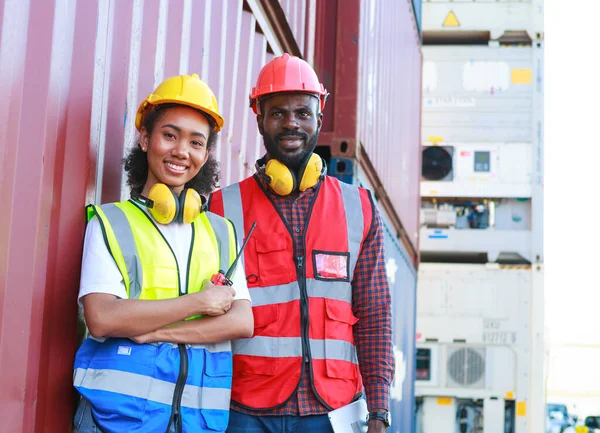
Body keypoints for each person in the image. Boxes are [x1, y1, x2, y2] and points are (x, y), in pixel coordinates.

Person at [208, 54, 395, 433]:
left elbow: (375, 315)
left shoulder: (359, 208)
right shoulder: (220, 207)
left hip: (332, 413)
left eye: (302, 113)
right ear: (259, 118)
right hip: (244, 410)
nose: (291, 123)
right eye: (277, 113)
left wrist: (379, 411)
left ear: (319, 119)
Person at [72, 74, 253, 433]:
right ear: (145, 138)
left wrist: (155, 331)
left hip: (195, 424)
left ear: (206, 154)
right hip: (114, 422)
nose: (181, 151)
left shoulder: (222, 233)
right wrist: (199, 303)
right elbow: (103, 318)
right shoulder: (111, 222)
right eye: (170, 135)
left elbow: (240, 322)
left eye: (196, 142)